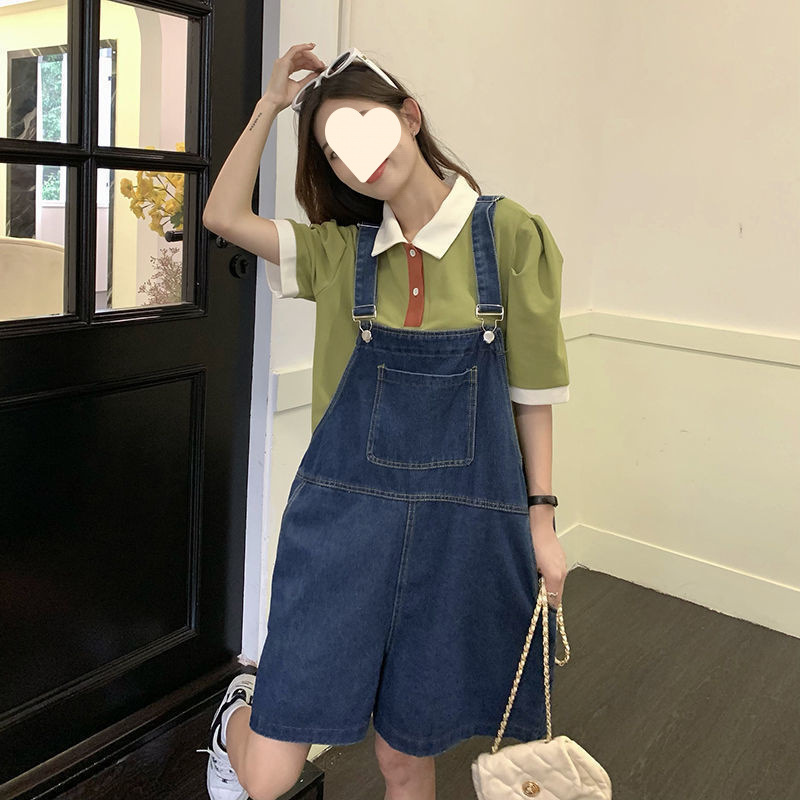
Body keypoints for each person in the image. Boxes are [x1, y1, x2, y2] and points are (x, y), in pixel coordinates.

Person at [198, 43, 570, 800]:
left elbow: (532, 394)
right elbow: (221, 216)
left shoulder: (509, 235)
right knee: (268, 779)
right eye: (334, 153)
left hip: (457, 534)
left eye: (363, 128)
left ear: (410, 117)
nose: (354, 161)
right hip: (341, 532)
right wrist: (270, 107)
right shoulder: (341, 254)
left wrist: (542, 521)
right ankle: (238, 710)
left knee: (406, 758)